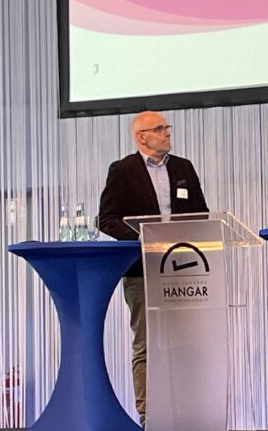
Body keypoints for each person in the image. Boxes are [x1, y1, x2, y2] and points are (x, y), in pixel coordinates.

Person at [99, 110, 209, 426]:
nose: (167, 133)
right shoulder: (123, 170)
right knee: (147, 344)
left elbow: (201, 213)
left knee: (185, 343)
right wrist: (144, 238)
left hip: (182, 267)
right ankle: (150, 416)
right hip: (141, 270)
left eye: (166, 127)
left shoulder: (183, 168)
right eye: (159, 129)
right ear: (141, 137)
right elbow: (106, 219)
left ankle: (187, 413)